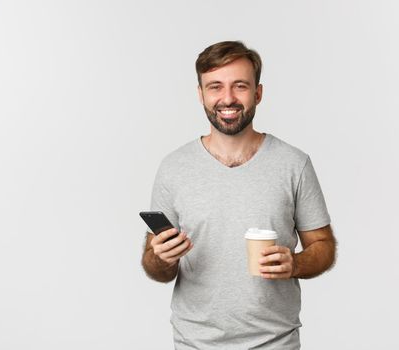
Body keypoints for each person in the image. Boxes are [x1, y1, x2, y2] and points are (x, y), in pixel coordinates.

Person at [141, 40, 337, 349]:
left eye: (240, 86)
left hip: (275, 341)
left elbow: (323, 246)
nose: (227, 98)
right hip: (195, 342)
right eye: (215, 87)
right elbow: (155, 265)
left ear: (258, 93)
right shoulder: (174, 168)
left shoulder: (294, 163)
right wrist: (162, 258)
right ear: (201, 94)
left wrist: (295, 264)